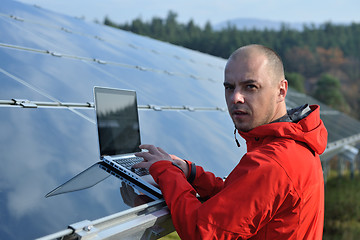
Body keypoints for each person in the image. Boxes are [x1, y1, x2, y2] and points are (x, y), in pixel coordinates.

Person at [133, 44, 328, 239]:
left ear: (281, 91)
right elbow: (241, 199)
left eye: (250, 86)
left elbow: (201, 232)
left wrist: (166, 171)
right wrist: (191, 174)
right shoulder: (294, 144)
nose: (236, 97)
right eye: (229, 87)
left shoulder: (273, 162)